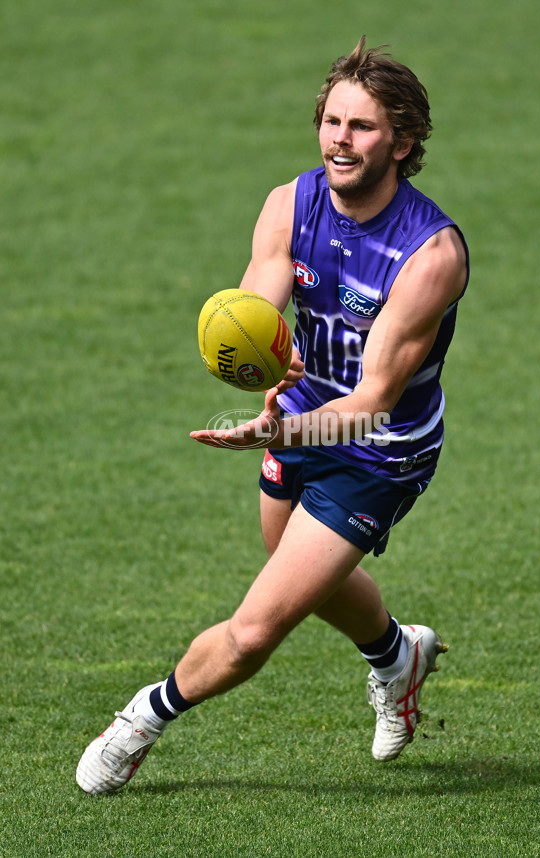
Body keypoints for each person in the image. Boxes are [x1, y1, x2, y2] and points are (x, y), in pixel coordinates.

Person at [76, 36, 469, 795]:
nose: (339, 140)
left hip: (378, 449)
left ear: (403, 141)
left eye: (361, 127)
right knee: (296, 565)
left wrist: (276, 431)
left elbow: (372, 403)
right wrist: (261, 354)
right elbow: (255, 302)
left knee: (257, 626)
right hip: (300, 411)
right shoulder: (290, 203)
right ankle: (396, 654)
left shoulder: (429, 256)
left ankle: (141, 719)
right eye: (331, 121)